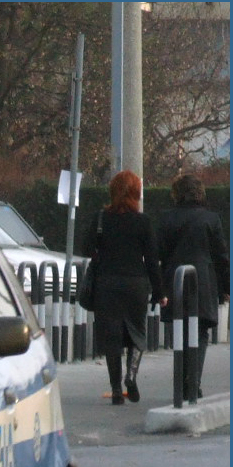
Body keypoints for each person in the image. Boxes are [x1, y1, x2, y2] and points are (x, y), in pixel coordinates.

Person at [82, 170, 166, 405]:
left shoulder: (101, 218)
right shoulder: (143, 222)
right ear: (136, 194)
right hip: (135, 284)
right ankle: (131, 376)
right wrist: (159, 292)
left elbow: (86, 248)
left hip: (106, 285)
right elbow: (151, 260)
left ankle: (116, 389)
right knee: (137, 333)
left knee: (111, 338)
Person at [158, 174, 229, 398]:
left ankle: (181, 382)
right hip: (203, 281)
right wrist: (227, 287)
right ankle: (193, 383)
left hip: (175, 280)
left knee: (179, 330)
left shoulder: (166, 218)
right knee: (200, 333)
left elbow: (160, 253)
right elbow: (220, 256)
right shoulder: (211, 219)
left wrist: (159, 286)